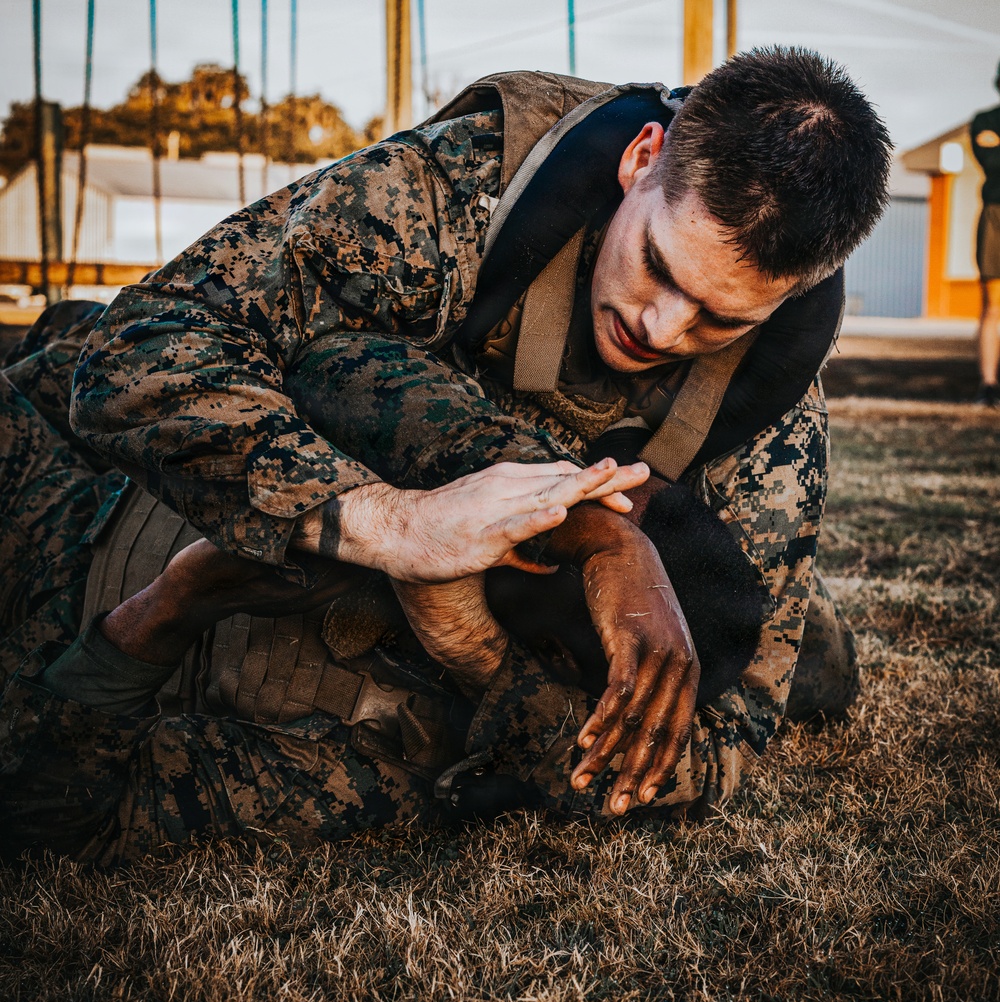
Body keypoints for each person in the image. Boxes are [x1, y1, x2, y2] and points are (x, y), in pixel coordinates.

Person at [67, 47, 889, 820]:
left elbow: (724, 748)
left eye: (721, 317)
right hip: (379, 435)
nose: (662, 326)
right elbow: (136, 354)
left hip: (573, 565)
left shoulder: (779, 412)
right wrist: (397, 523)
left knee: (805, 661)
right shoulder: (456, 189)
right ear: (643, 159)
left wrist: (486, 654)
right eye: (660, 266)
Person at [0, 309, 840, 865]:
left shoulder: (394, 754)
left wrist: (173, 607)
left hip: (38, 643)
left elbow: (52, 826)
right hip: (66, 476)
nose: (578, 485)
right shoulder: (455, 467)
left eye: (585, 510)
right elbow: (291, 362)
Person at [970, 63, 1000, 407]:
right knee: (993, 303)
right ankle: (989, 385)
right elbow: (992, 164)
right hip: (996, 215)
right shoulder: (986, 122)